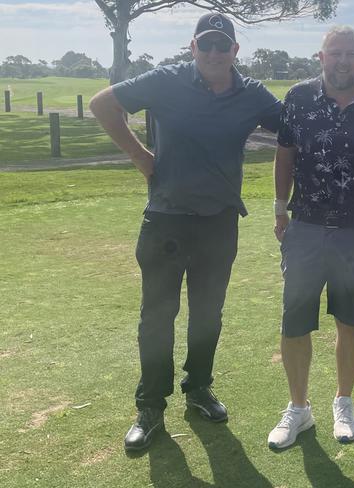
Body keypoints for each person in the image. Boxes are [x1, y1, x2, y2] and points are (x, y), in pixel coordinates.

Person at [89, 12, 281, 452]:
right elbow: (104, 104)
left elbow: (295, 127)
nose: (214, 53)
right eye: (206, 45)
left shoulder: (251, 93)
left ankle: (198, 389)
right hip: (166, 219)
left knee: (207, 314)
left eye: (223, 46)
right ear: (192, 48)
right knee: (157, 316)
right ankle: (151, 405)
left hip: (219, 221)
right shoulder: (165, 80)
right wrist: (140, 156)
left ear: (235, 51)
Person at [266, 26, 354, 449]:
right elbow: (285, 155)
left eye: (351, 53)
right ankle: (298, 408)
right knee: (296, 319)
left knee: (351, 320)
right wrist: (280, 208)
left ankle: (344, 400)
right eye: (335, 53)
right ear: (321, 57)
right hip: (305, 227)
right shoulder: (298, 99)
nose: (343, 60)